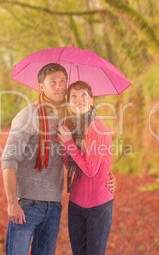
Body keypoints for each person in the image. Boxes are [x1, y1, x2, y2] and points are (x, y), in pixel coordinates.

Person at [1, 64, 115, 255]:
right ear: (41, 86)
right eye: (52, 81)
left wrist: (107, 173)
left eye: (63, 80)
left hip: (54, 206)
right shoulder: (28, 115)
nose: (59, 86)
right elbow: (8, 159)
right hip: (28, 204)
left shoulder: (69, 118)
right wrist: (12, 201)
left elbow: (87, 157)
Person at [57, 81, 114, 255]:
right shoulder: (72, 128)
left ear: (91, 100)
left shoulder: (98, 127)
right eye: (73, 95)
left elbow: (90, 170)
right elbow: (72, 167)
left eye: (84, 95)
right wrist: (66, 144)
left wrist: (68, 142)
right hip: (76, 205)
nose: (79, 99)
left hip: (99, 207)